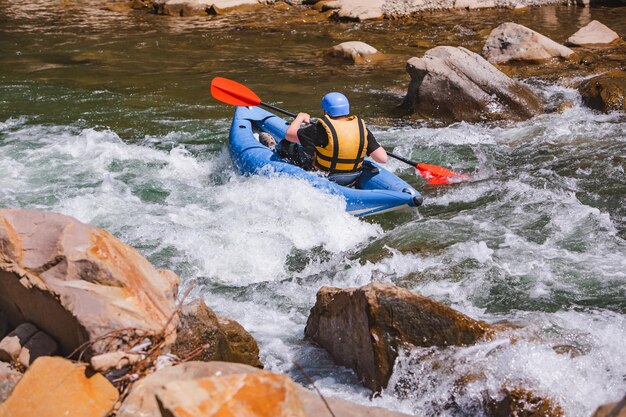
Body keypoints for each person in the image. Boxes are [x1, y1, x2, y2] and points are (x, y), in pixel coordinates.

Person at [281, 92, 388, 186]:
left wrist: (300, 117)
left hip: (326, 177)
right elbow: (383, 159)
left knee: (291, 146)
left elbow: (289, 135)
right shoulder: (362, 129)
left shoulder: (320, 129)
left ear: (325, 112)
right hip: (353, 177)